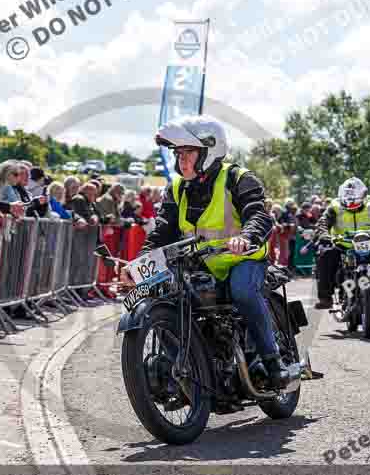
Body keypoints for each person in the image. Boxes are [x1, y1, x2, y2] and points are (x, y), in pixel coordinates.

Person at [124, 114, 291, 390]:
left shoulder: (238, 178)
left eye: (188, 152)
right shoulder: (177, 189)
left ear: (210, 150)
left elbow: (258, 215)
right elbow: (162, 230)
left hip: (244, 259)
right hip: (200, 264)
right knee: (164, 293)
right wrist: (138, 265)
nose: (181, 159)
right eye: (178, 153)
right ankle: (188, 364)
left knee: (243, 292)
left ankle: (273, 362)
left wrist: (246, 237)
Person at [313, 177, 370, 311]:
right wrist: (323, 234)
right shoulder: (335, 205)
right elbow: (323, 222)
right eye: (347, 200)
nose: (351, 204)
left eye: (355, 200)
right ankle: (325, 298)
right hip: (343, 244)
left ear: (363, 196)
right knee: (325, 257)